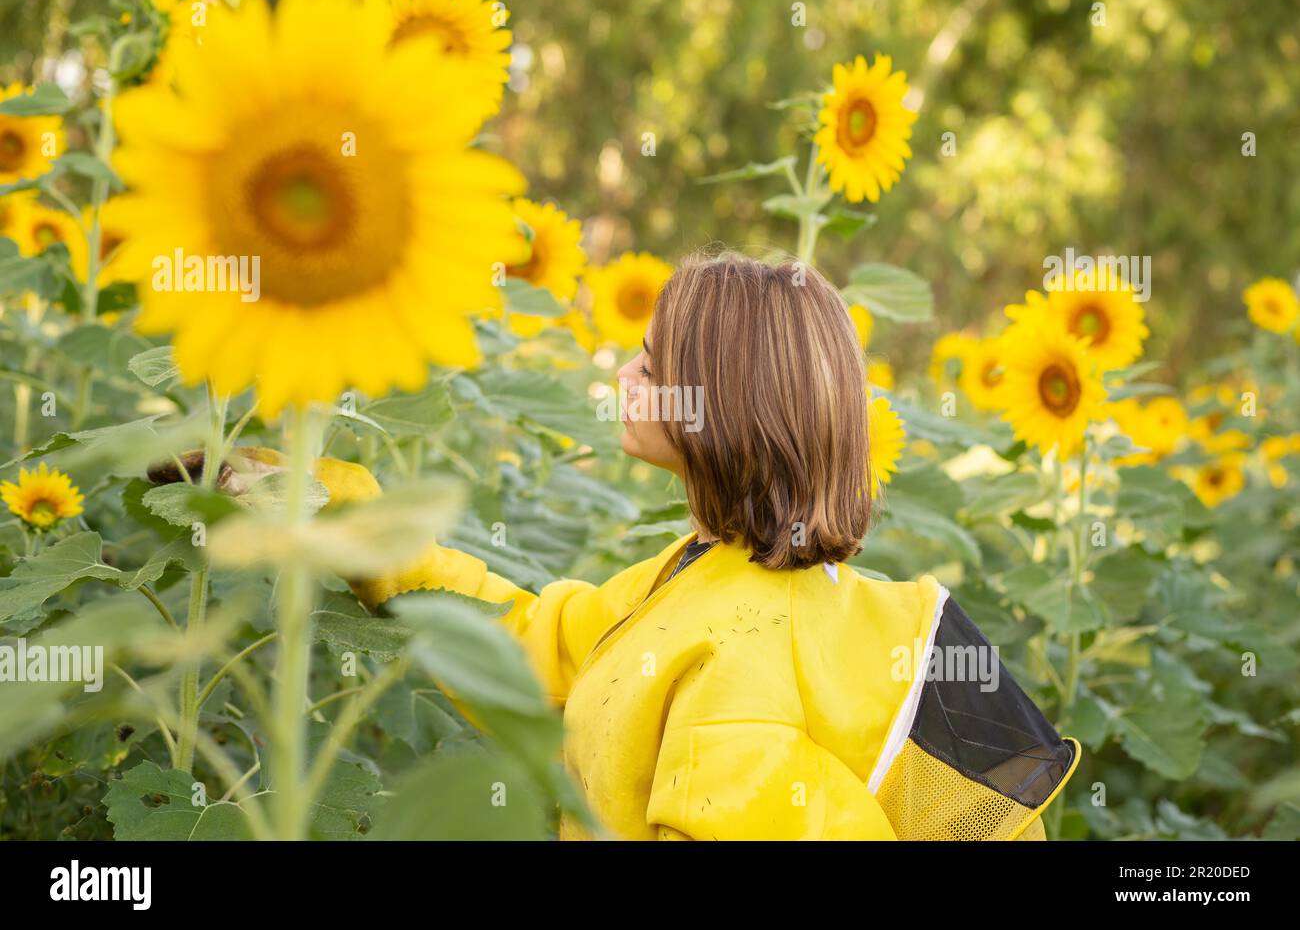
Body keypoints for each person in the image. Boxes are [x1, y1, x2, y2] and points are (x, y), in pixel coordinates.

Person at [169, 251, 1080, 840]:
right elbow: (541, 651)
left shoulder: (743, 657)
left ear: (721, 402)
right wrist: (350, 519)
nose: (622, 375)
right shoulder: (713, 570)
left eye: (649, 363)